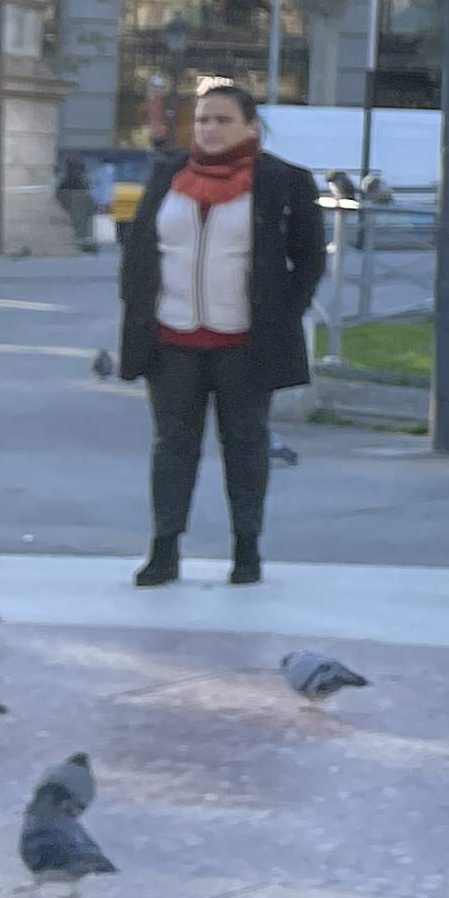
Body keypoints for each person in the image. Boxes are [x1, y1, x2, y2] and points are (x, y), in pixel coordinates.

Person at [114, 80, 327, 588]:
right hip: (172, 340)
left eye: (222, 120)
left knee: (246, 446)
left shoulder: (283, 180)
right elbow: (141, 249)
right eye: (203, 119)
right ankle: (164, 550)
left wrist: (281, 314)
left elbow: (310, 257)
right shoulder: (168, 174)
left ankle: (247, 551)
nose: (209, 129)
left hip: (245, 344)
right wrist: (139, 306)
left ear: (251, 126)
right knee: (172, 447)